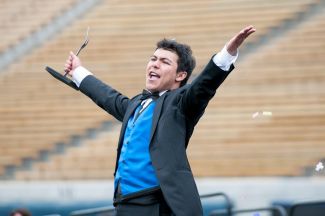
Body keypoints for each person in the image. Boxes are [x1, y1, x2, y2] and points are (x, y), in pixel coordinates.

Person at [64, 26, 255, 216]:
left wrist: (227, 54)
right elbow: (107, 97)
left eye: (164, 62)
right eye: (153, 59)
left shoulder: (181, 104)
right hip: (124, 203)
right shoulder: (136, 104)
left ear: (180, 75)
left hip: (158, 205)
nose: (155, 64)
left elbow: (204, 85)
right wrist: (78, 71)